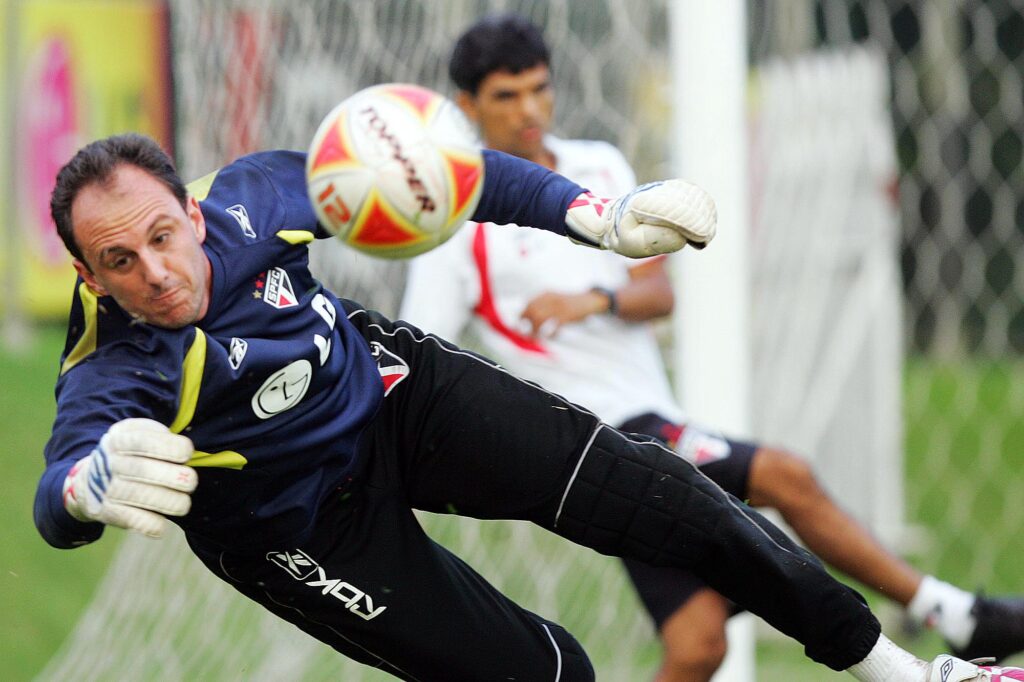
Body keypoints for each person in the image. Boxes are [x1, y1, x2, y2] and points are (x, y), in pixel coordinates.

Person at [32, 130, 1020, 682]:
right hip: (300, 527)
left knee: (661, 497)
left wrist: (597, 217)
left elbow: (455, 178)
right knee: (551, 678)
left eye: (165, 235)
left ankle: (918, 675)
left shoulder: (261, 193)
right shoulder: (113, 365)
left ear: (195, 210)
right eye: (119, 260)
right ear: (86, 269)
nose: (156, 273)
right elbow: (60, 484)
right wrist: (87, 487)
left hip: (390, 393)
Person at [395, 12, 1024, 682]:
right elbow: (424, 352)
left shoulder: (595, 165)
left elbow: (658, 292)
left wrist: (595, 301)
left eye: (538, 89)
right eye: (506, 96)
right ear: (466, 106)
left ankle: (948, 617)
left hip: (649, 426)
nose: (529, 110)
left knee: (699, 644)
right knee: (785, 475)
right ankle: (950, 614)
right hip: (597, 434)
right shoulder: (455, 226)